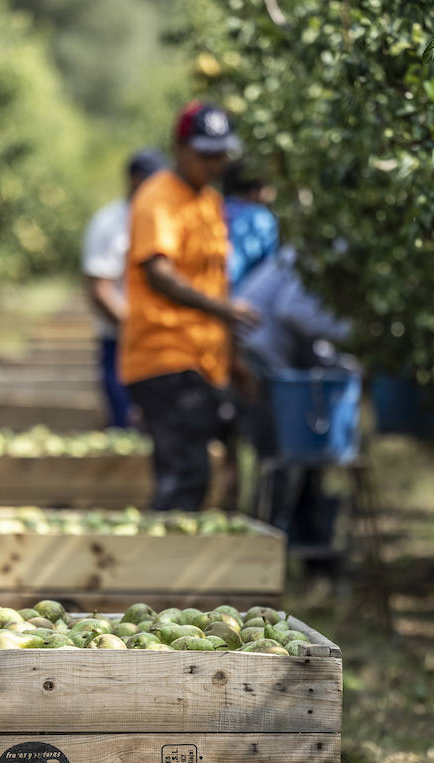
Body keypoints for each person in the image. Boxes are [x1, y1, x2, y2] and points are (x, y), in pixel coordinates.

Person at [120, 101, 259, 510]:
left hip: (201, 362)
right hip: (164, 358)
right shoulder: (158, 198)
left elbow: (216, 280)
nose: (214, 164)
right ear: (179, 149)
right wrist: (222, 311)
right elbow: (158, 273)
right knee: (186, 475)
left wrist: (233, 358)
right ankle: (157, 567)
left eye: (221, 155)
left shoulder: (209, 202)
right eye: (205, 155)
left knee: (196, 475)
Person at [236, 245, 353, 555]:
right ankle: (262, 555)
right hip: (257, 359)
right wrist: (356, 332)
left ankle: (285, 548)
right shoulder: (321, 254)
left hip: (267, 361)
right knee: (279, 462)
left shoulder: (312, 252)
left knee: (286, 463)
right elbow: (294, 310)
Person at [81, 148, 167, 428]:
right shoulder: (109, 223)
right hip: (120, 341)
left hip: (161, 343)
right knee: (125, 423)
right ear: (135, 180)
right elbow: (101, 289)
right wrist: (135, 327)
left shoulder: (163, 219)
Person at [222, 160, 280, 288]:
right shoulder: (261, 218)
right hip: (241, 295)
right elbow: (270, 265)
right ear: (255, 190)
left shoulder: (212, 208)